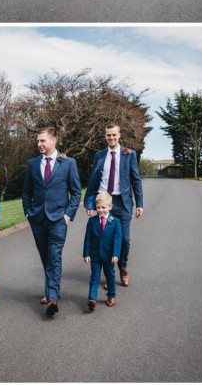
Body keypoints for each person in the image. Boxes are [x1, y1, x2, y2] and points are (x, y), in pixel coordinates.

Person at [22, 127, 81, 316]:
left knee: (54, 255)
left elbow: (76, 192)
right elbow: (27, 191)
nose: (39, 144)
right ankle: (53, 289)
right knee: (45, 257)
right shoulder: (32, 164)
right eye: (38, 141)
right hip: (37, 218)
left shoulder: (68, 163)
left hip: (58, 219)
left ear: (53, 140)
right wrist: (27, 213)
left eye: (42, 141)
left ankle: (52, 297)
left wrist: (67, 215)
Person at [84, 123, 144, 288]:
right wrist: (89, 203)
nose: (111, 138)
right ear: (105, 136)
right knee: (106, 239)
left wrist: (140, 203)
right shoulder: (100, 155)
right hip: (104, 202)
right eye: (108, 135)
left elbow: (135, 179)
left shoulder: (129, 154)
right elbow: (93, 181)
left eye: (114, 135)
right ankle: (109, 274)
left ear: (119, 135)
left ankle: (123, 268)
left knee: (124, 239)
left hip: (123, 203)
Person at [83, 192, 122, 310]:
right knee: (95, 276)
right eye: (98, 207)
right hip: (95, 254)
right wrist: (86, 253)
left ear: (110, 207)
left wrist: (116, 254)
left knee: (110, 275)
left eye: (103, 207)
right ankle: (92, 299)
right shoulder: (92, 221)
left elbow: (117, 239)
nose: (100, 210)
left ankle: (111, 296)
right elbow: (87, 238)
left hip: (109, 255)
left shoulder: (115, 222)